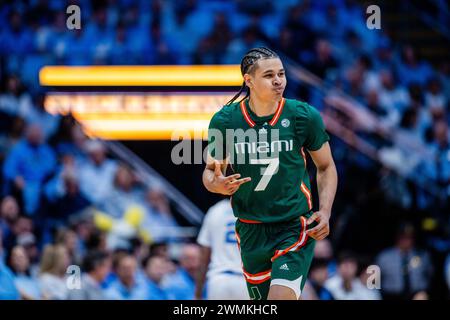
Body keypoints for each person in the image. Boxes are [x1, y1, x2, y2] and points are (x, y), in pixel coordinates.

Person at [203, 47, 338, 300]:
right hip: (251, 229)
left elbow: (326, 166)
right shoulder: (226, 120)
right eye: (268, 75)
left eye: (281, 74)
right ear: (249, 80)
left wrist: (326, 210)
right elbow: (210, 173)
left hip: (293, 226)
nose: (278, 81)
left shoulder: (303, 116)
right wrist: (217, 184)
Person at [195, 199, 249, 300]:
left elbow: (204, 259)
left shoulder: (215, 210)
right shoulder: (253, 208)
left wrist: (197, 293)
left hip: (219, 280)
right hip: (246, 280)